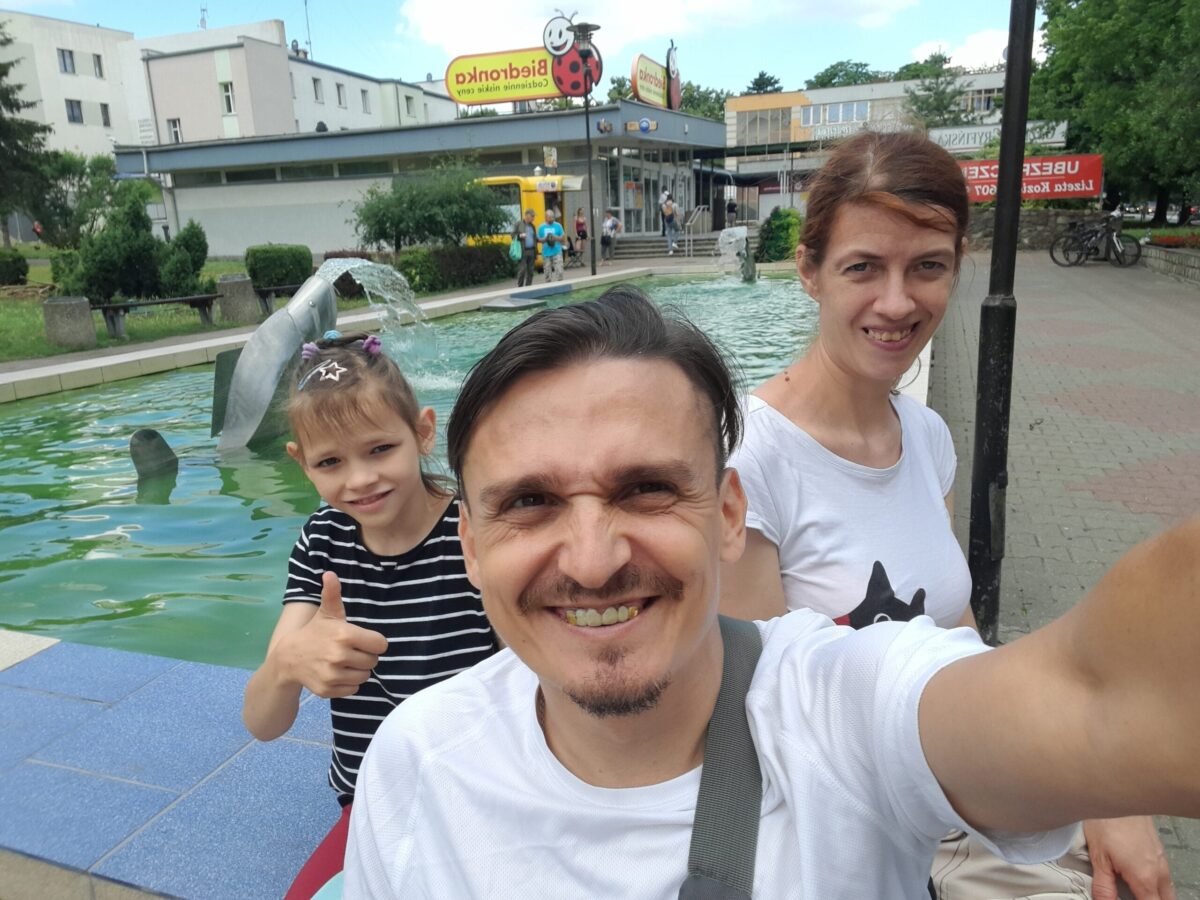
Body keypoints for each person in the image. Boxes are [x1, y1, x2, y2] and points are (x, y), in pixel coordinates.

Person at [343, 287, 1200, 898]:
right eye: (530, 502)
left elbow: (1107, 697)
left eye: (647, 489)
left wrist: (1097, 772)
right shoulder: (414, 760)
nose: (594, 561)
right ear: (470, 544)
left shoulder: (843, 710)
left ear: (728, 513)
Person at [719, 131, 1174, 899]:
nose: (897, 302)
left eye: (927, 267)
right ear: (809, 272)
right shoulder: (748, 457)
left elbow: (956, 637)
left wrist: (1093, 783)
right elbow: (760, 723)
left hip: (958, 789)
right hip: (856, 832)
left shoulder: (925, 437)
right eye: (863, 267)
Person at [242, 330, 497, 899]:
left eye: (380, 449)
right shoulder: (323, 543)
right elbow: (262, 723)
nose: (359, 479)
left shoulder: (474, 531)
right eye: (330, 461)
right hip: (374, 800)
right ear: (301, 463)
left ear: (422, 433)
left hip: (482, 790)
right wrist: (288, 664)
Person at [511, 208, 537, 288]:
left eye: (533, 216)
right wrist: (520, 236)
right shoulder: (518, 224)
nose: (533, 218)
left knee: (531, 271)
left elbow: (534, 238)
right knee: (522, 270)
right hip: (522, 250)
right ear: (527, 216)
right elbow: (512, 235)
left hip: (532, 250)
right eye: (532, 216)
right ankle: (520, 287)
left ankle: (528, 287)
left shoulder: (532, 226)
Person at [538, 208, 565, 283]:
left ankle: (560, 283)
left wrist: (555, 237)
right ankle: (548, 285)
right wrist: (545, 239)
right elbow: (538, 239)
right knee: (547, 272)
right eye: (550, 217)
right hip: (546, 252)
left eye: (553, 217)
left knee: (559, 270)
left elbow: (563, 238)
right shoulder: (541, 227)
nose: (552, 219)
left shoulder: (558, 226)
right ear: (546, 217)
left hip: (557, 251)